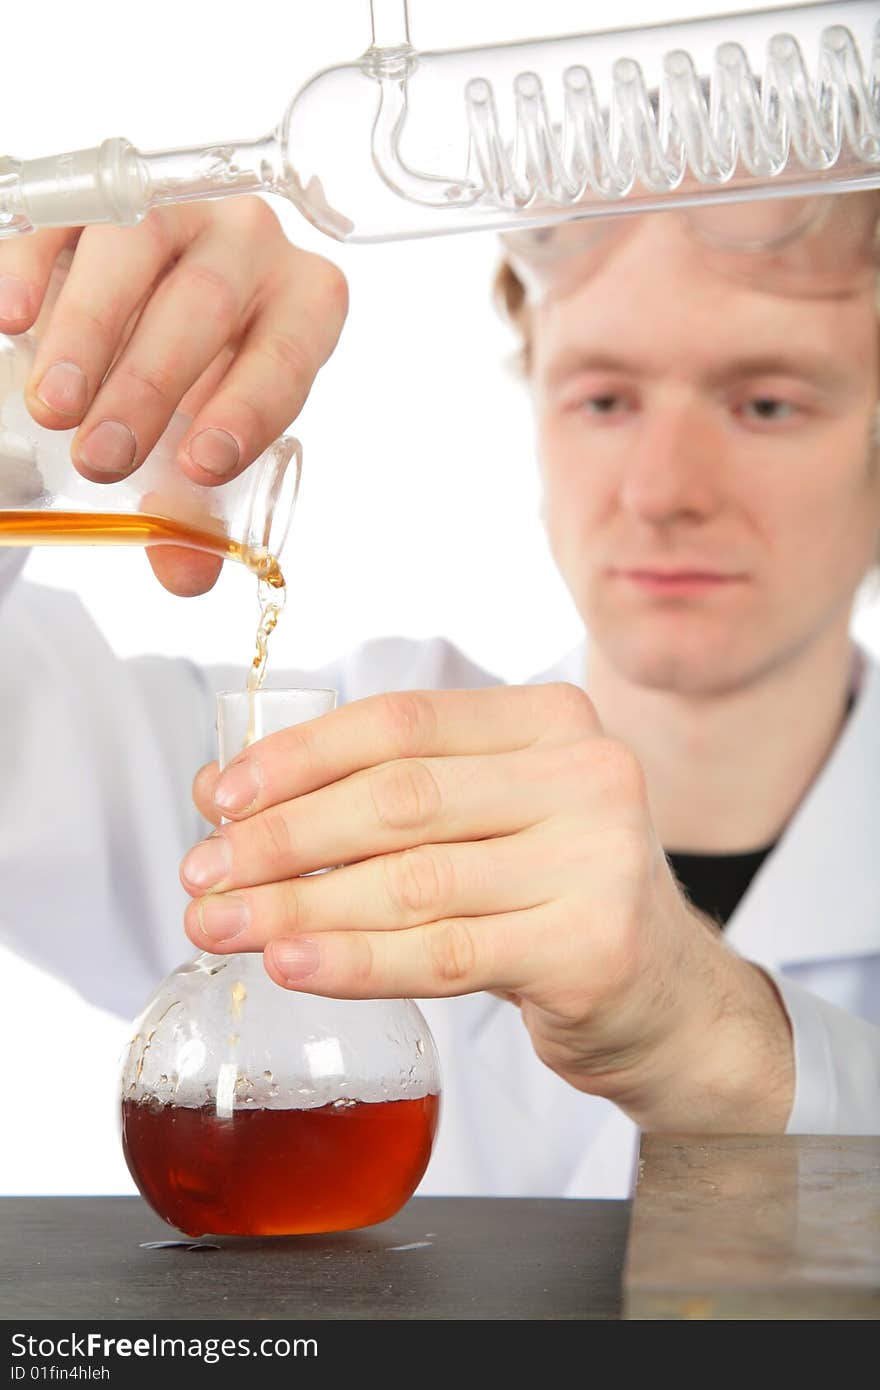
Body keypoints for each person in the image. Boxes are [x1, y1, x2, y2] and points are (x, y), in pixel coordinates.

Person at [0, 191, 877, 1202]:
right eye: (604, 398)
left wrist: (730, 1047)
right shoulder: (305, 774)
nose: (662, 490)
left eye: (766, 402)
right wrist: (28, 382)